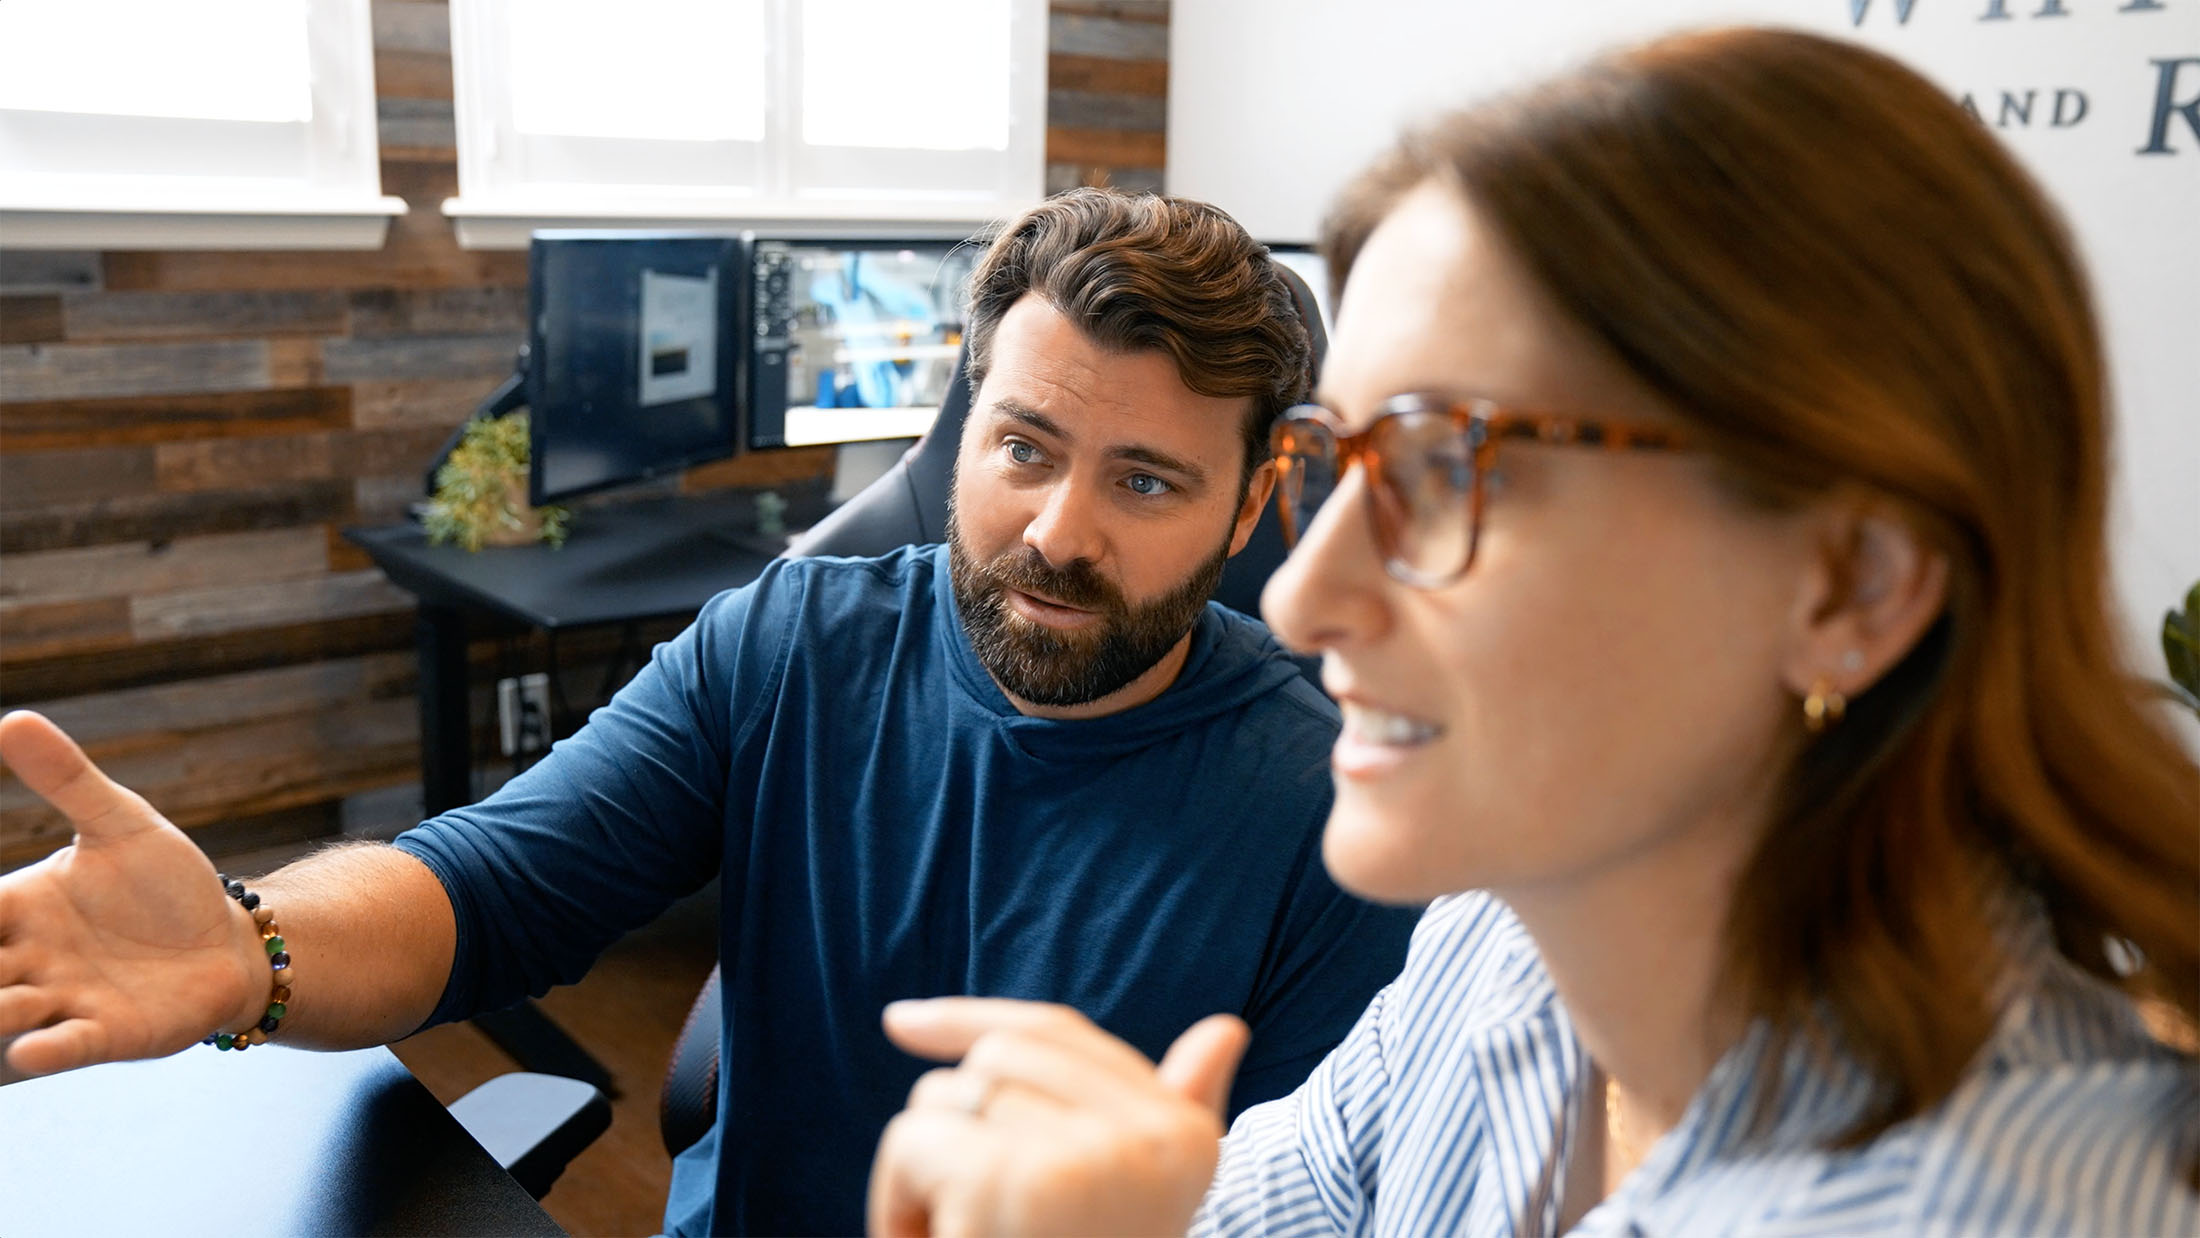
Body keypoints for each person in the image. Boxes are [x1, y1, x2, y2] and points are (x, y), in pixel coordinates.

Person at [867, 28, 2200, 1237]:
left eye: (1452, 466)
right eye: (1349, 459)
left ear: (1849, 584)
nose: (1295, 596)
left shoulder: (2010, 1210)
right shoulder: (1509, 938)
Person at [0, 189, 1422, 1236]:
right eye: (1023, 448)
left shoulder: (1330, 806)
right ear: (967, 423)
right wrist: (251, 947)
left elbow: (1306, 1207)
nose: (1058, 529)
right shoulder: (795, 639)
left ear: (1256, 497)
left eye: (1146, 481)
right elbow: (497, 884)